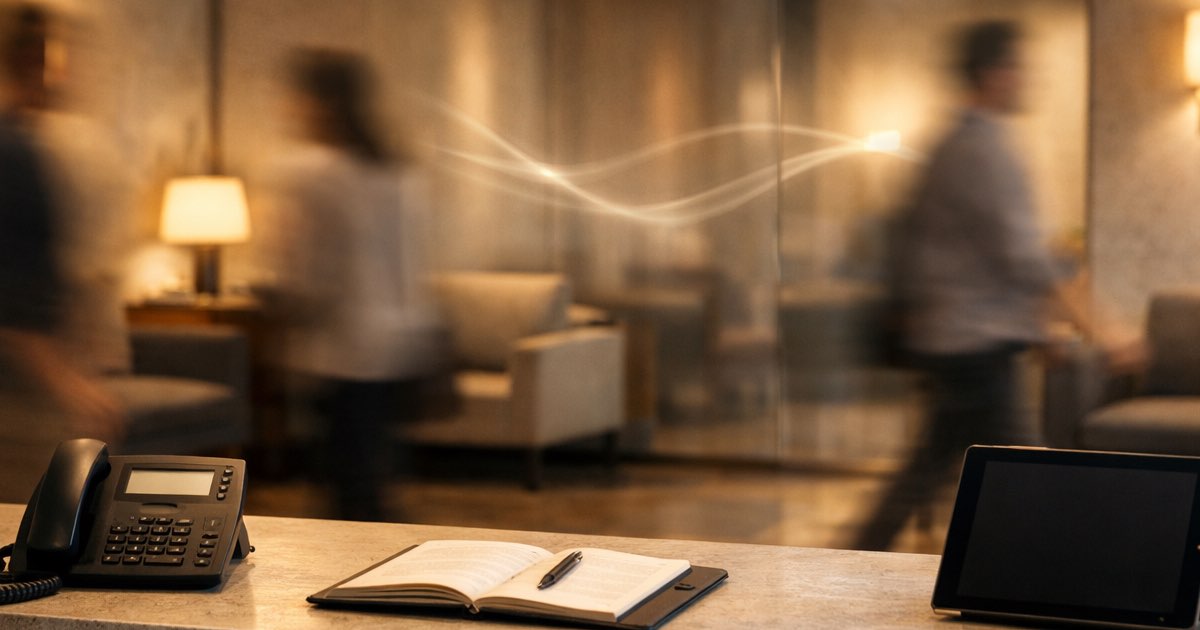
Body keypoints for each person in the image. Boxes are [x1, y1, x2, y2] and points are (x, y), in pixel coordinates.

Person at [854, 21, 1140, 551]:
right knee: (1024, 470)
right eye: (1018, 67)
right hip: (972, 347)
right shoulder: (984, 150)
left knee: (933, 469)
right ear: (994, 74)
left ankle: (850, 565)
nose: (1026, 78)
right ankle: (1059, 576)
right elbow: (1028, 258)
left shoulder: (955, 144)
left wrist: (1040, 329)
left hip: (960, 342)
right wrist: (1106, 328)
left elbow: (986, 260)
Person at [256, 48, 443, 521]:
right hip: (401, 339)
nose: (288, 110)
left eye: (295, 99)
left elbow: (308, 274)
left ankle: (363, 577)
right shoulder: (396, 170)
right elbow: (412, 259)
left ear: (321, 103)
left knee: (348, 481)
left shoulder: (310, 173)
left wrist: (277, 300)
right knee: (372, 475)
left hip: (343, 347)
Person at [0, 4, 124, 501]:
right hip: (23, 386)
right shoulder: (14, 153)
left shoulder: (44, 144)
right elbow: (15, 292)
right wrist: (68, 383)